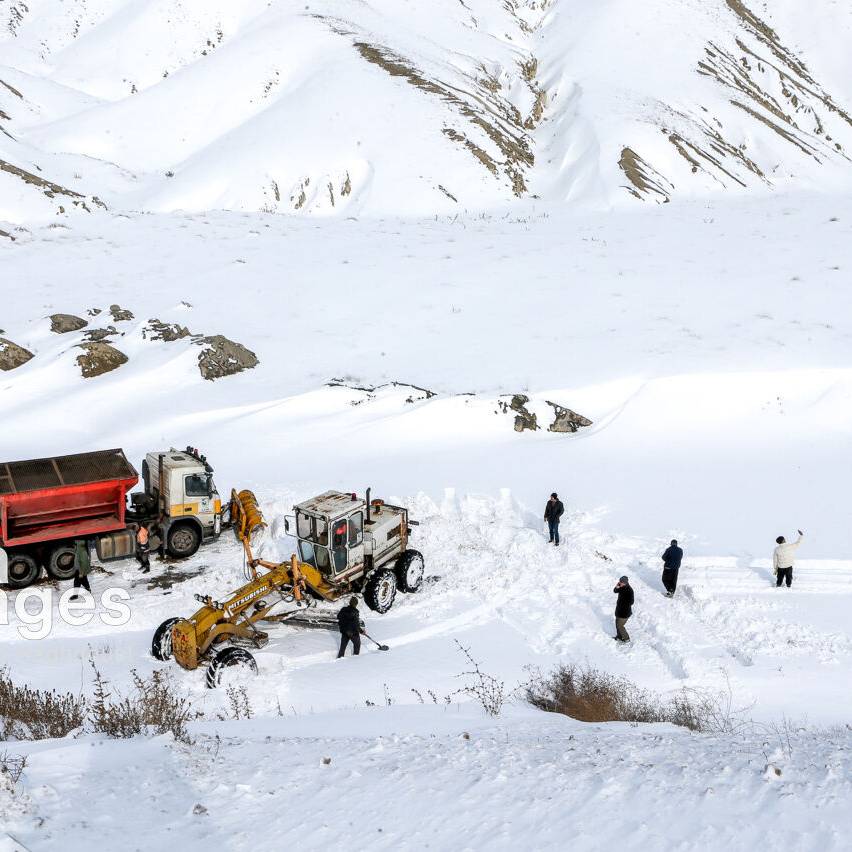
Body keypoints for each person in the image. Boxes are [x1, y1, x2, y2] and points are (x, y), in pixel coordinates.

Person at [613, 575, 634, 642]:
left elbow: (631, 602)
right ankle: (619, 636)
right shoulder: (621, 586)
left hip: (625, 612)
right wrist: (617, 586)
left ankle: (626, 638)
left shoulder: (629, 590)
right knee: (617, 624)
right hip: (619, 610)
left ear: (626, 583)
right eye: (620, 582)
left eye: (622, 582)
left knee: (620, 626)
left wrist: (624, 604)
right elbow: (615, 591)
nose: (620, 583)